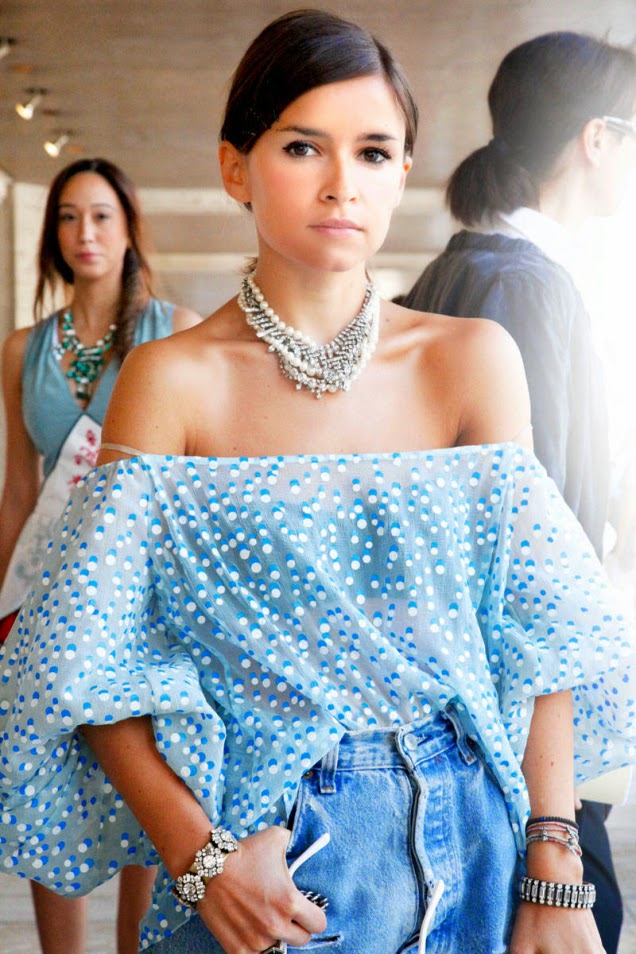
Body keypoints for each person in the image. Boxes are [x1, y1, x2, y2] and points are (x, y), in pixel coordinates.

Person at [0, 12, 634, 954]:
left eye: (374, 151)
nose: (343, 183)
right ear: (235, 168)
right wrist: (199, 856)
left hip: (480, 843)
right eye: (303, 147)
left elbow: (537, 632)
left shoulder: (471, 360)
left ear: (404, 170)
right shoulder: (173, 380)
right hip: (277, 856)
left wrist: (555, 865)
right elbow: (84, 658)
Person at [397, 32, 636, 954]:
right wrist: (553, 832)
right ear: (596, 140)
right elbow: (527, 557)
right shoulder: (520, 286)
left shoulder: (475, 267)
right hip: (515, 740)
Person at [0, 157, 201, 954]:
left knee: (142, 779)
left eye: (101, 215)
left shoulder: (175, 329)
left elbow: (193, 484)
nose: (84, 232)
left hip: (139, 593)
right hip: (44, 592)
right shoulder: (22, 349)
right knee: (42, 770)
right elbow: (19, 489)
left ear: (128, 230)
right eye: (68, 216)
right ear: (52, 234)